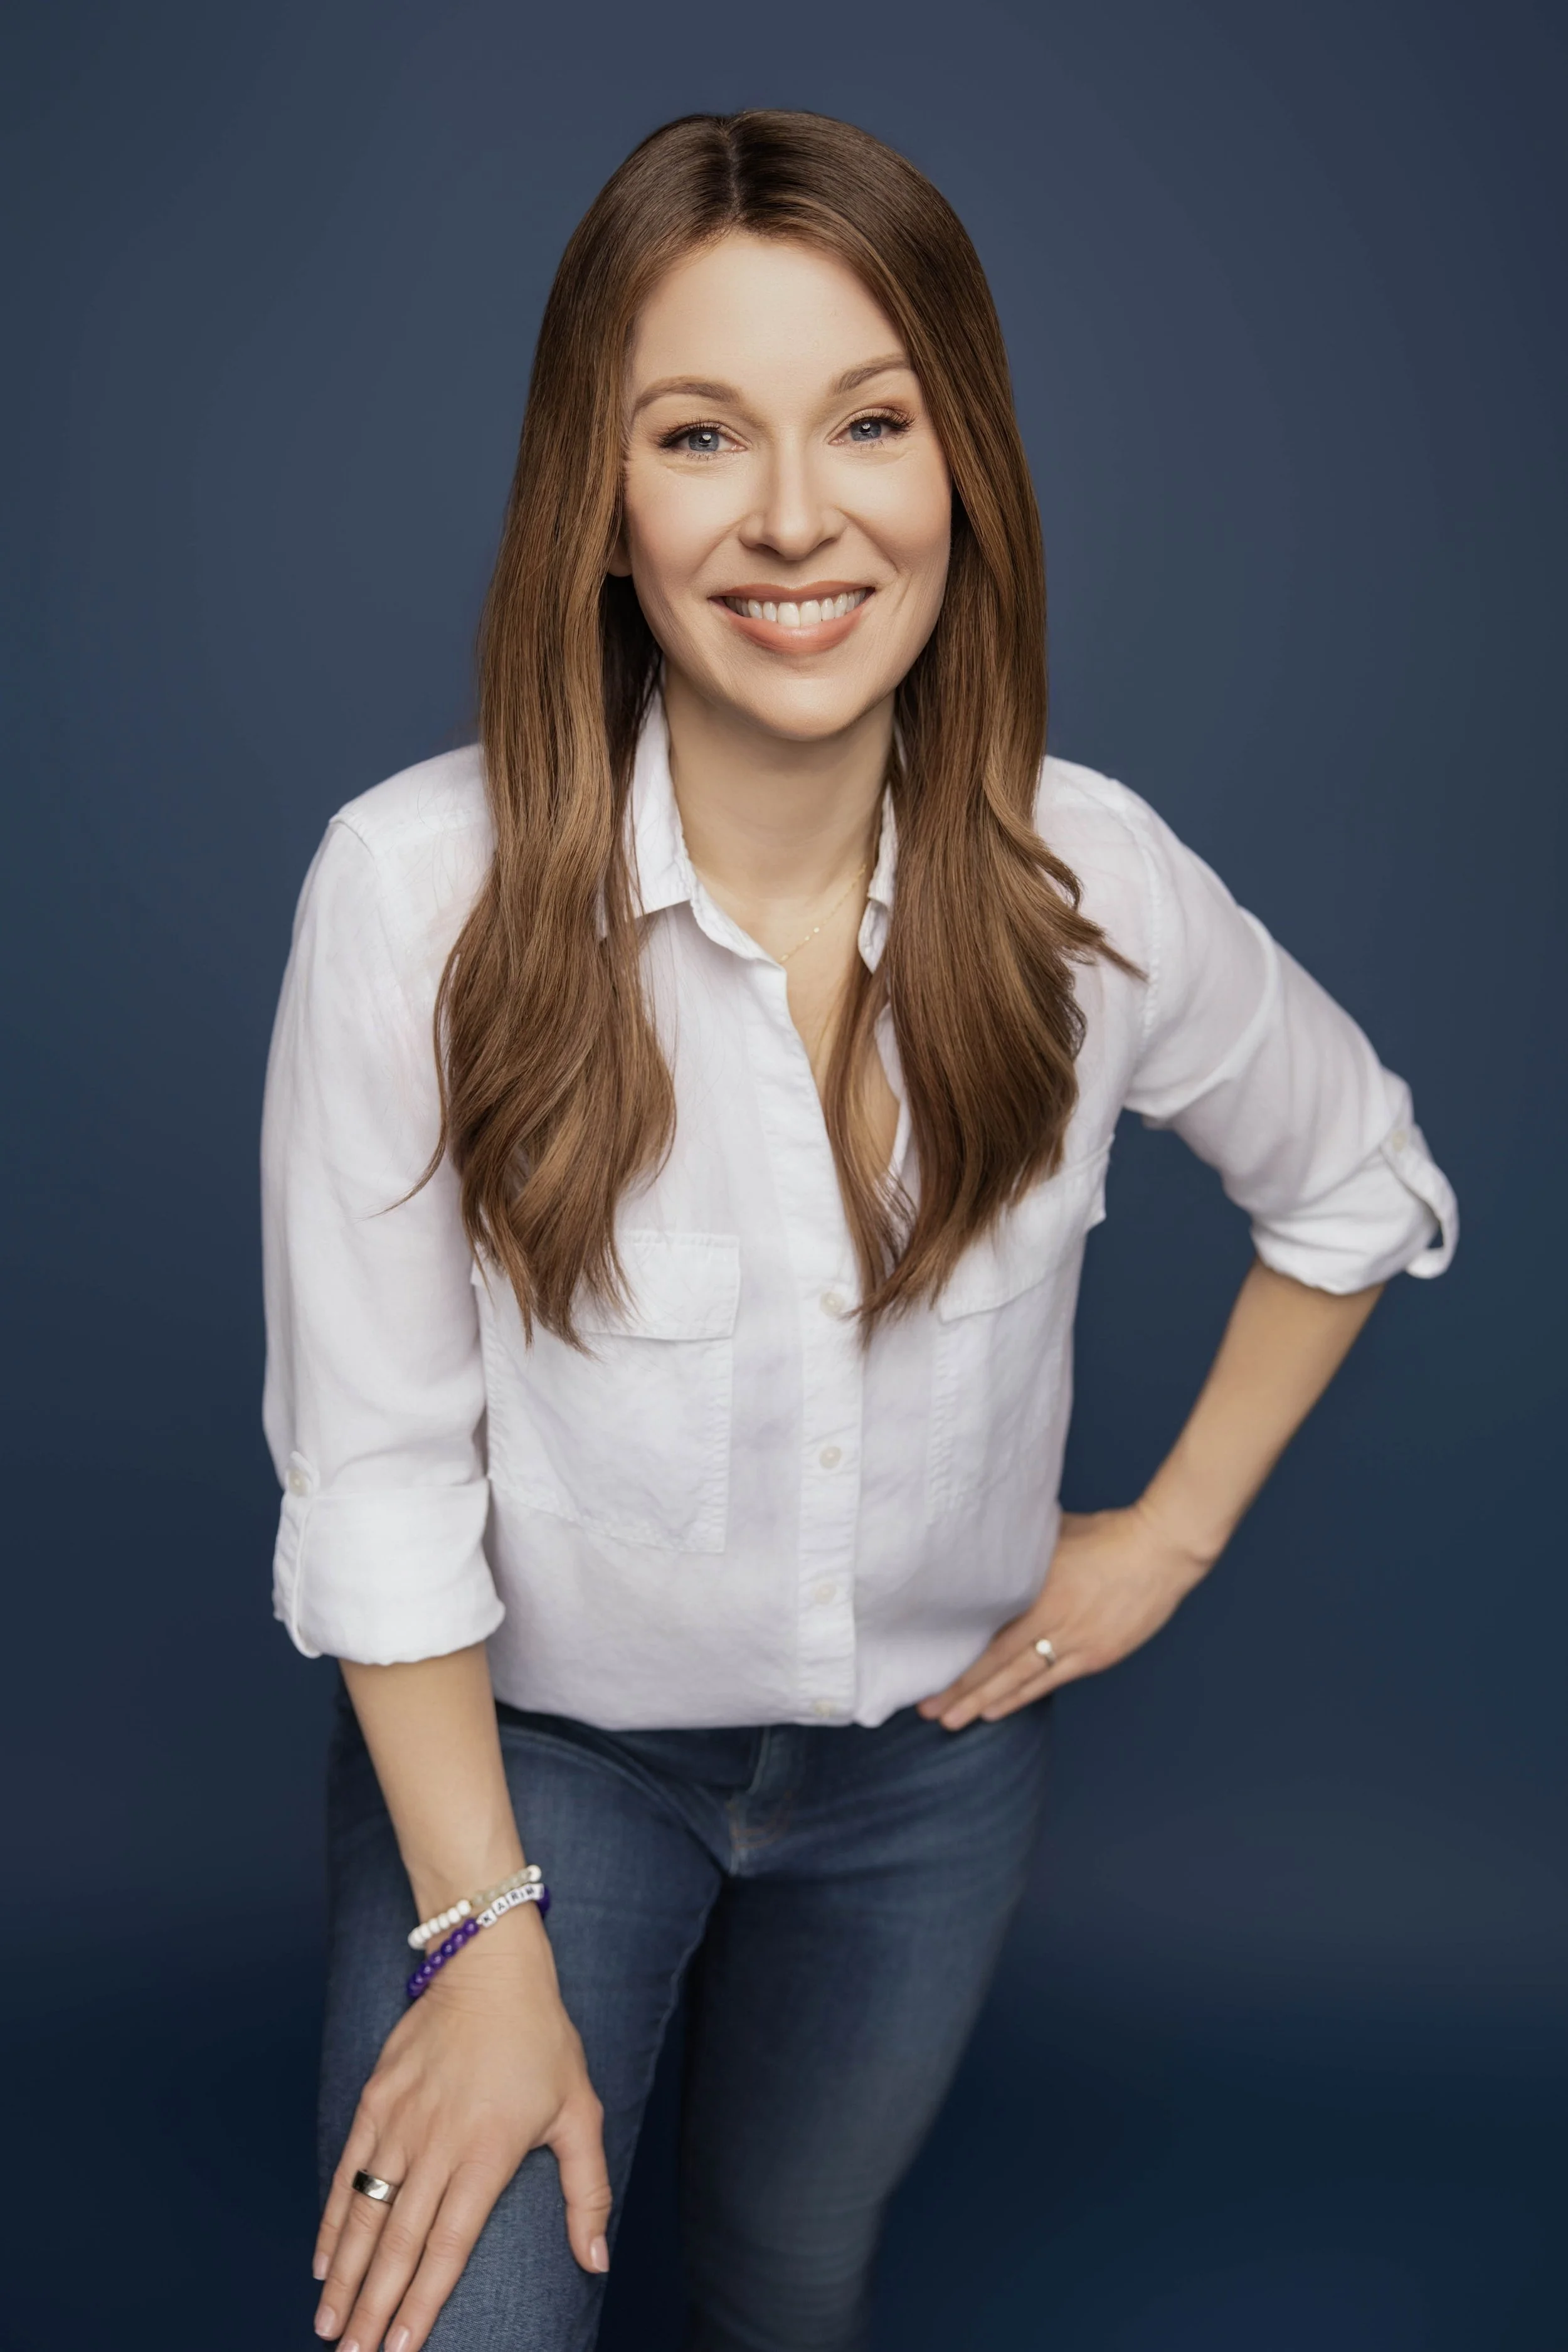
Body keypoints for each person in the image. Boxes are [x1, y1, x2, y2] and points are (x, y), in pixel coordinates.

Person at [261, 109, 1456, 2352]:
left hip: (923, 1784)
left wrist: (1168, 1536)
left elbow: (1355, 1180)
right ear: (597, 511)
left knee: (791, 2286)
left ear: (960, 470)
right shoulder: (411, 896)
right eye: (699, 434)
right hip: (529, 1768)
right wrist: (479, 1932)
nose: (797, 516)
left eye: (870, 423)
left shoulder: (1088, 880)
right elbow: (381, 1477)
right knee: (460, 2327)